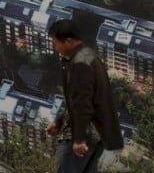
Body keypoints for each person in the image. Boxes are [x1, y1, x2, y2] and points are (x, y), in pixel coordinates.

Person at [47, 19, 124, 172]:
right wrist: (59, 121)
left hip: (83, 135)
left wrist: (79, 139)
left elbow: (82, 104)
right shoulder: (89, 57)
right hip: (97, 136)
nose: (56, 48)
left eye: (56, 44)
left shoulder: (80, 64)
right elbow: (79, 100)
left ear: (68, 41)